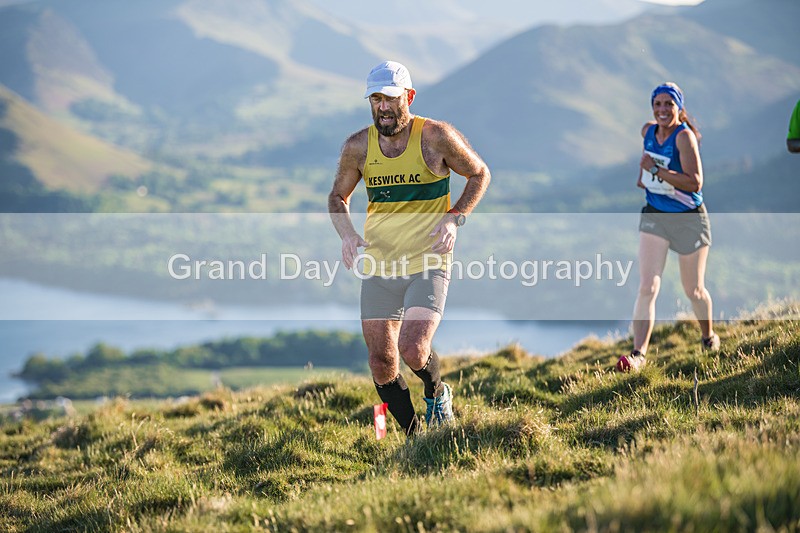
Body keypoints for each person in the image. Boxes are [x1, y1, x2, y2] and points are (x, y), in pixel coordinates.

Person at [328, 61, 490, 435]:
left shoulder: (435, 136)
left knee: (414, 348)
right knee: (381, 362)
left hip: (428, 261)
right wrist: (348, 235)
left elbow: (480, 173)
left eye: (391, 99)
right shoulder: (357, 147)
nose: (383, 107)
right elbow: (338, 196)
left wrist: (454, 217)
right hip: (382, 266)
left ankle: (437, 393)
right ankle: (416, 437)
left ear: (409, 97)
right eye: (376, 99)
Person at [617, 82, 720, 372]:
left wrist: (655, 171)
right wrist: (645, 176)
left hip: (689, 218)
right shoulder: (647, 131)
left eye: (669, 104)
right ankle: (638, 354)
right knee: (648, 286)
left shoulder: (684, 137)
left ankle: (708, 336)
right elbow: (648, 160)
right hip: (655, 215)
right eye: (658, 104)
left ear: (679, 108)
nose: (662, 109)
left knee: (694, 290)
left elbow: (694, 183)